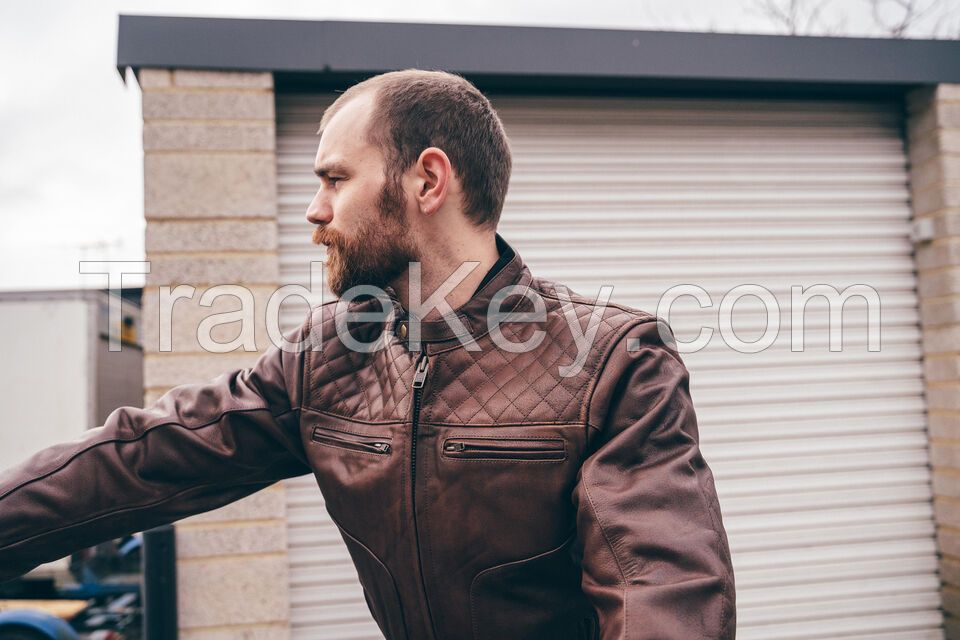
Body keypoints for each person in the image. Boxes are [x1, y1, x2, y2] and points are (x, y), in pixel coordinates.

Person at [0, 69, 736, 639]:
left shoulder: (613, 363)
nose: (315, 211)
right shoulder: (328, 356)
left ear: (426, 179)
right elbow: (141, 458)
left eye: (334, 179)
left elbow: (660, 595)